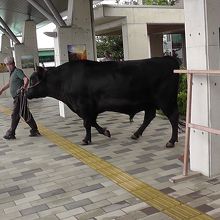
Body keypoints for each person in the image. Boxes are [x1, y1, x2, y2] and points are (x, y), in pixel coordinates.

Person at [0, 56, 41, 139]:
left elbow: (26, 79)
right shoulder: (12, 73)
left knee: (15, 114)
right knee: (25, 114)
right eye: (7, 65)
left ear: (12, 64)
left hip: (20, 96)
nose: (8, 66)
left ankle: (11, 133)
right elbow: (10, 83)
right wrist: (2, 90)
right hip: (17, 97)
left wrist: (24, 86)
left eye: (9, 65)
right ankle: (34, 130)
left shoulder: (18, 71)